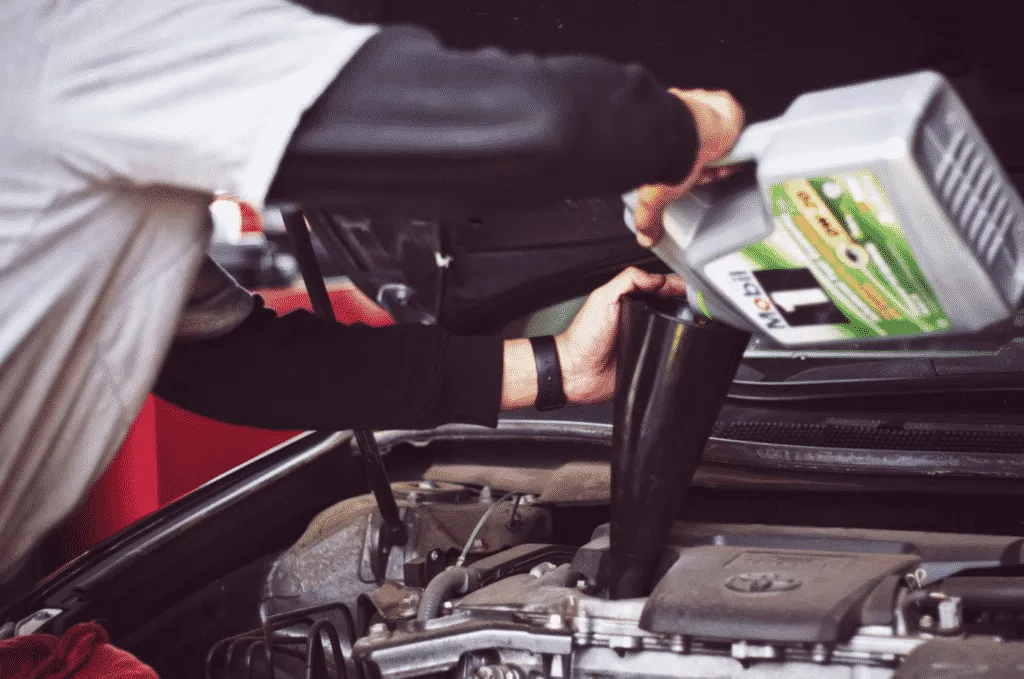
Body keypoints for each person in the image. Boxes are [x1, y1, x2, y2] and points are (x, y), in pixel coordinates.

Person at [0, 0, 743, 580]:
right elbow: (532, 121)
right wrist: (696, 124)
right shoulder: (71, 35)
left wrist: (555, 367)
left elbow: (222, 361)